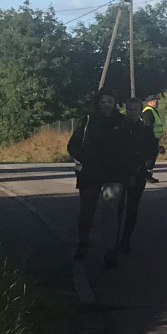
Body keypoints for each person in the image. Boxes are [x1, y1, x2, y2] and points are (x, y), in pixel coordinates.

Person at [68, 90, 129, 266]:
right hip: (90, 173)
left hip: (114, 174)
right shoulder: (88, 121)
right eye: (103, 101)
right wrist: (84, 160)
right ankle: (83, 244)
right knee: (87, 211)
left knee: (111, 213)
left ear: (115, 103)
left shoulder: (122, 122)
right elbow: (73, 145)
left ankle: (110, 250)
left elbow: (129, 147)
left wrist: (127, 168)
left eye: (110, 101)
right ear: (97, 103)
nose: (107, 105)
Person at [114, 97, 155, 257]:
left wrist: (144, 166)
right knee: (117, 208)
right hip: (119, 173)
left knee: (132, 208)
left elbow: (151, 150)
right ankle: (114, 239)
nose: (131, 113)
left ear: (140, 112)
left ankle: (126, 239)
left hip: (137, 174)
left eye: (135, 110)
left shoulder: (145, 130)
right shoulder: (119, 128)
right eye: (129, 109)